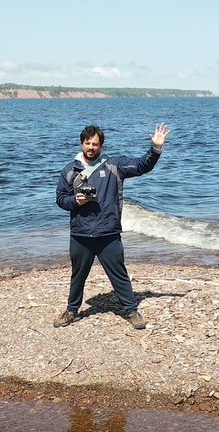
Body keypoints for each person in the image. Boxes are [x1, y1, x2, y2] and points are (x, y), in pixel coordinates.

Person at [53, 122, 170, 329]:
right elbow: (61, 199)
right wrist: (76, 202)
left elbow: (143, 165)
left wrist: (156, 149)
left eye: (95, 144)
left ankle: (131, 311)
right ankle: (72, 311)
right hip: (81, 235)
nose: (91, 147)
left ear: (101, 146)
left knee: (120, 275)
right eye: (88, 143)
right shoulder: (69, 171)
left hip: (108, 233)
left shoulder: (114, 165)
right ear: (81, 144)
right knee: (77, 276)